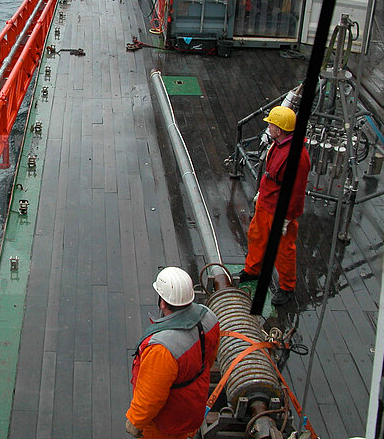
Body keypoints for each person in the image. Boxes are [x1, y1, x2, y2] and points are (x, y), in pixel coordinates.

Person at [126, 267, 220, 439]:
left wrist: (135, 421)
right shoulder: (210, 319)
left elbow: (151, 398)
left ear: (162, 302)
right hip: (194, 405)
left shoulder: (161, 349)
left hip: (167, 423)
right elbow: (210, 359)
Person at [238, 105, 311, 306]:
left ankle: (287, 287)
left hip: (280, 211)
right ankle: (252, 271)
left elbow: (295, 191)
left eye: (271, 124)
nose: (268, 126)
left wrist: (288, 217)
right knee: (257, 236)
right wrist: (262, 193)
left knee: (283, 249)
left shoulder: (297, 157)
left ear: (279, 130)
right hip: (266, 203)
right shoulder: (278, 145)